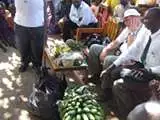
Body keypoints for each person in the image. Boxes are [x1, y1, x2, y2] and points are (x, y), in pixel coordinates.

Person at [101, 7, 160, 118]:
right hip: (143, 69)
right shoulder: (146, 31)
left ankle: (128, 115)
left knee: (119, 85)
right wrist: (113, 66)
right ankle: (125, 110)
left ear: (158, 21)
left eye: (147, 19)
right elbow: (132, 49)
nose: (143, 21)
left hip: (155, 76)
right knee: (114, 72)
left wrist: (151, 70)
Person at [87, 8, 143, 82]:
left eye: (128, 20)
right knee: (94, 48)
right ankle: (95, 75)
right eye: (125, 20)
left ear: (137, 18)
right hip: (118, 51)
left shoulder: (143, 31)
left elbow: (130, 52)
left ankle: (105, 86)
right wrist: (106, 49)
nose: (126, 23)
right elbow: (117, 42)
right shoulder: (128, 28)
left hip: (128, 59)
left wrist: (132, 32)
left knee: (108, 59)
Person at [14, 0, 45, 73]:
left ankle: (37, 65)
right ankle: (24, 62)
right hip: (20, 23)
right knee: (22, 46)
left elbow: (48, 4)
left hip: (37, 24)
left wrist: (49, 21)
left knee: (37, 48)